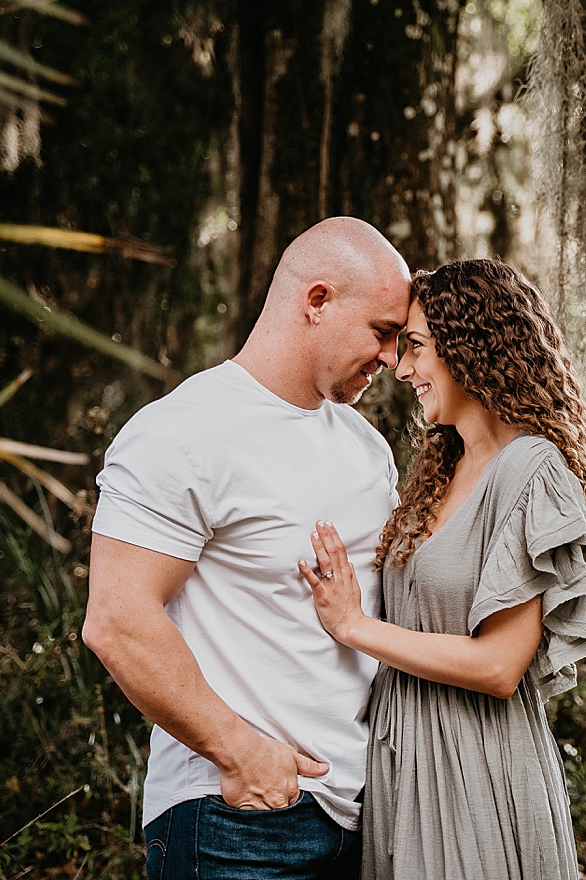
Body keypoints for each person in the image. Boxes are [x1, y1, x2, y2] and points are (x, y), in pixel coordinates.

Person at [82, 216, 411, 880]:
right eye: (382, 332)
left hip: (359, 816)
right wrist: (241, 753)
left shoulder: (367, 449)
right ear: (316, 301)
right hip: (234, 820)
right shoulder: (182, 431)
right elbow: (116, 620)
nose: (392, 359)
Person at [296, 258, 586, 880]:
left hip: (476, 764)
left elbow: (500, 666)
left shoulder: (531, 471)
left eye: (418, 348)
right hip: (403, 763)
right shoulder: (441, 471)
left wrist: (352, 627)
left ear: (472, 345)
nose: (401, 370)